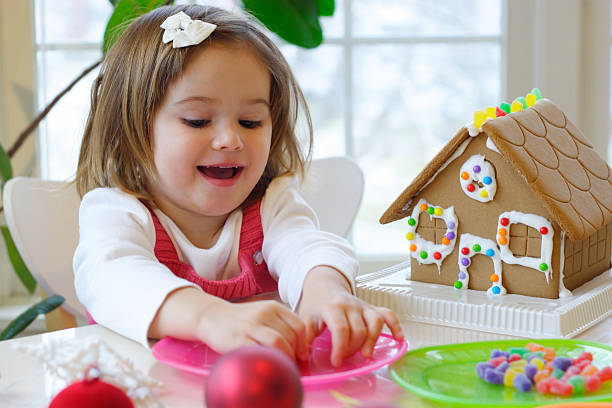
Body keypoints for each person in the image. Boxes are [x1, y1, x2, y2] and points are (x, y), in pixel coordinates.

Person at [73, 4, 403, 367]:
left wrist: (328, 291)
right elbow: (112, 278)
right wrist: (209, 317)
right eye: (197, 121)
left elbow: (306, 246)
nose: (230, 139)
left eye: (250, 121)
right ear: (130, 130)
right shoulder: (115, 212)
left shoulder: (271, 205)